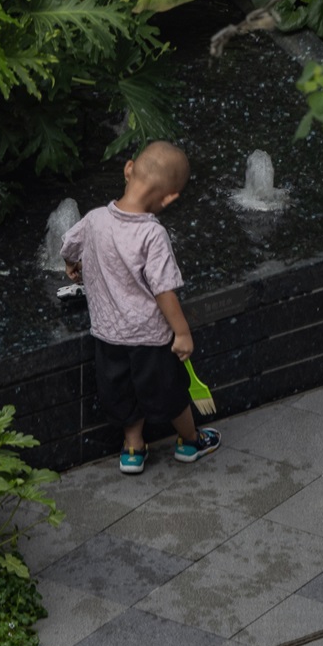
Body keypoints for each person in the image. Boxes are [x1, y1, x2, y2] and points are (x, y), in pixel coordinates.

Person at [62, 140, 220, 475]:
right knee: (172, 392)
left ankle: (133, 448)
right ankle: (190, 441)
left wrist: (72, 263)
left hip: (107, 334)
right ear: (169, 198)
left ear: (128, 168)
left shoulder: (94, 220)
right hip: (149, 338)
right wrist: (182, 332)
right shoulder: (152, 235)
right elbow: (164, 291)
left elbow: (69, 244)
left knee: (120, 392)